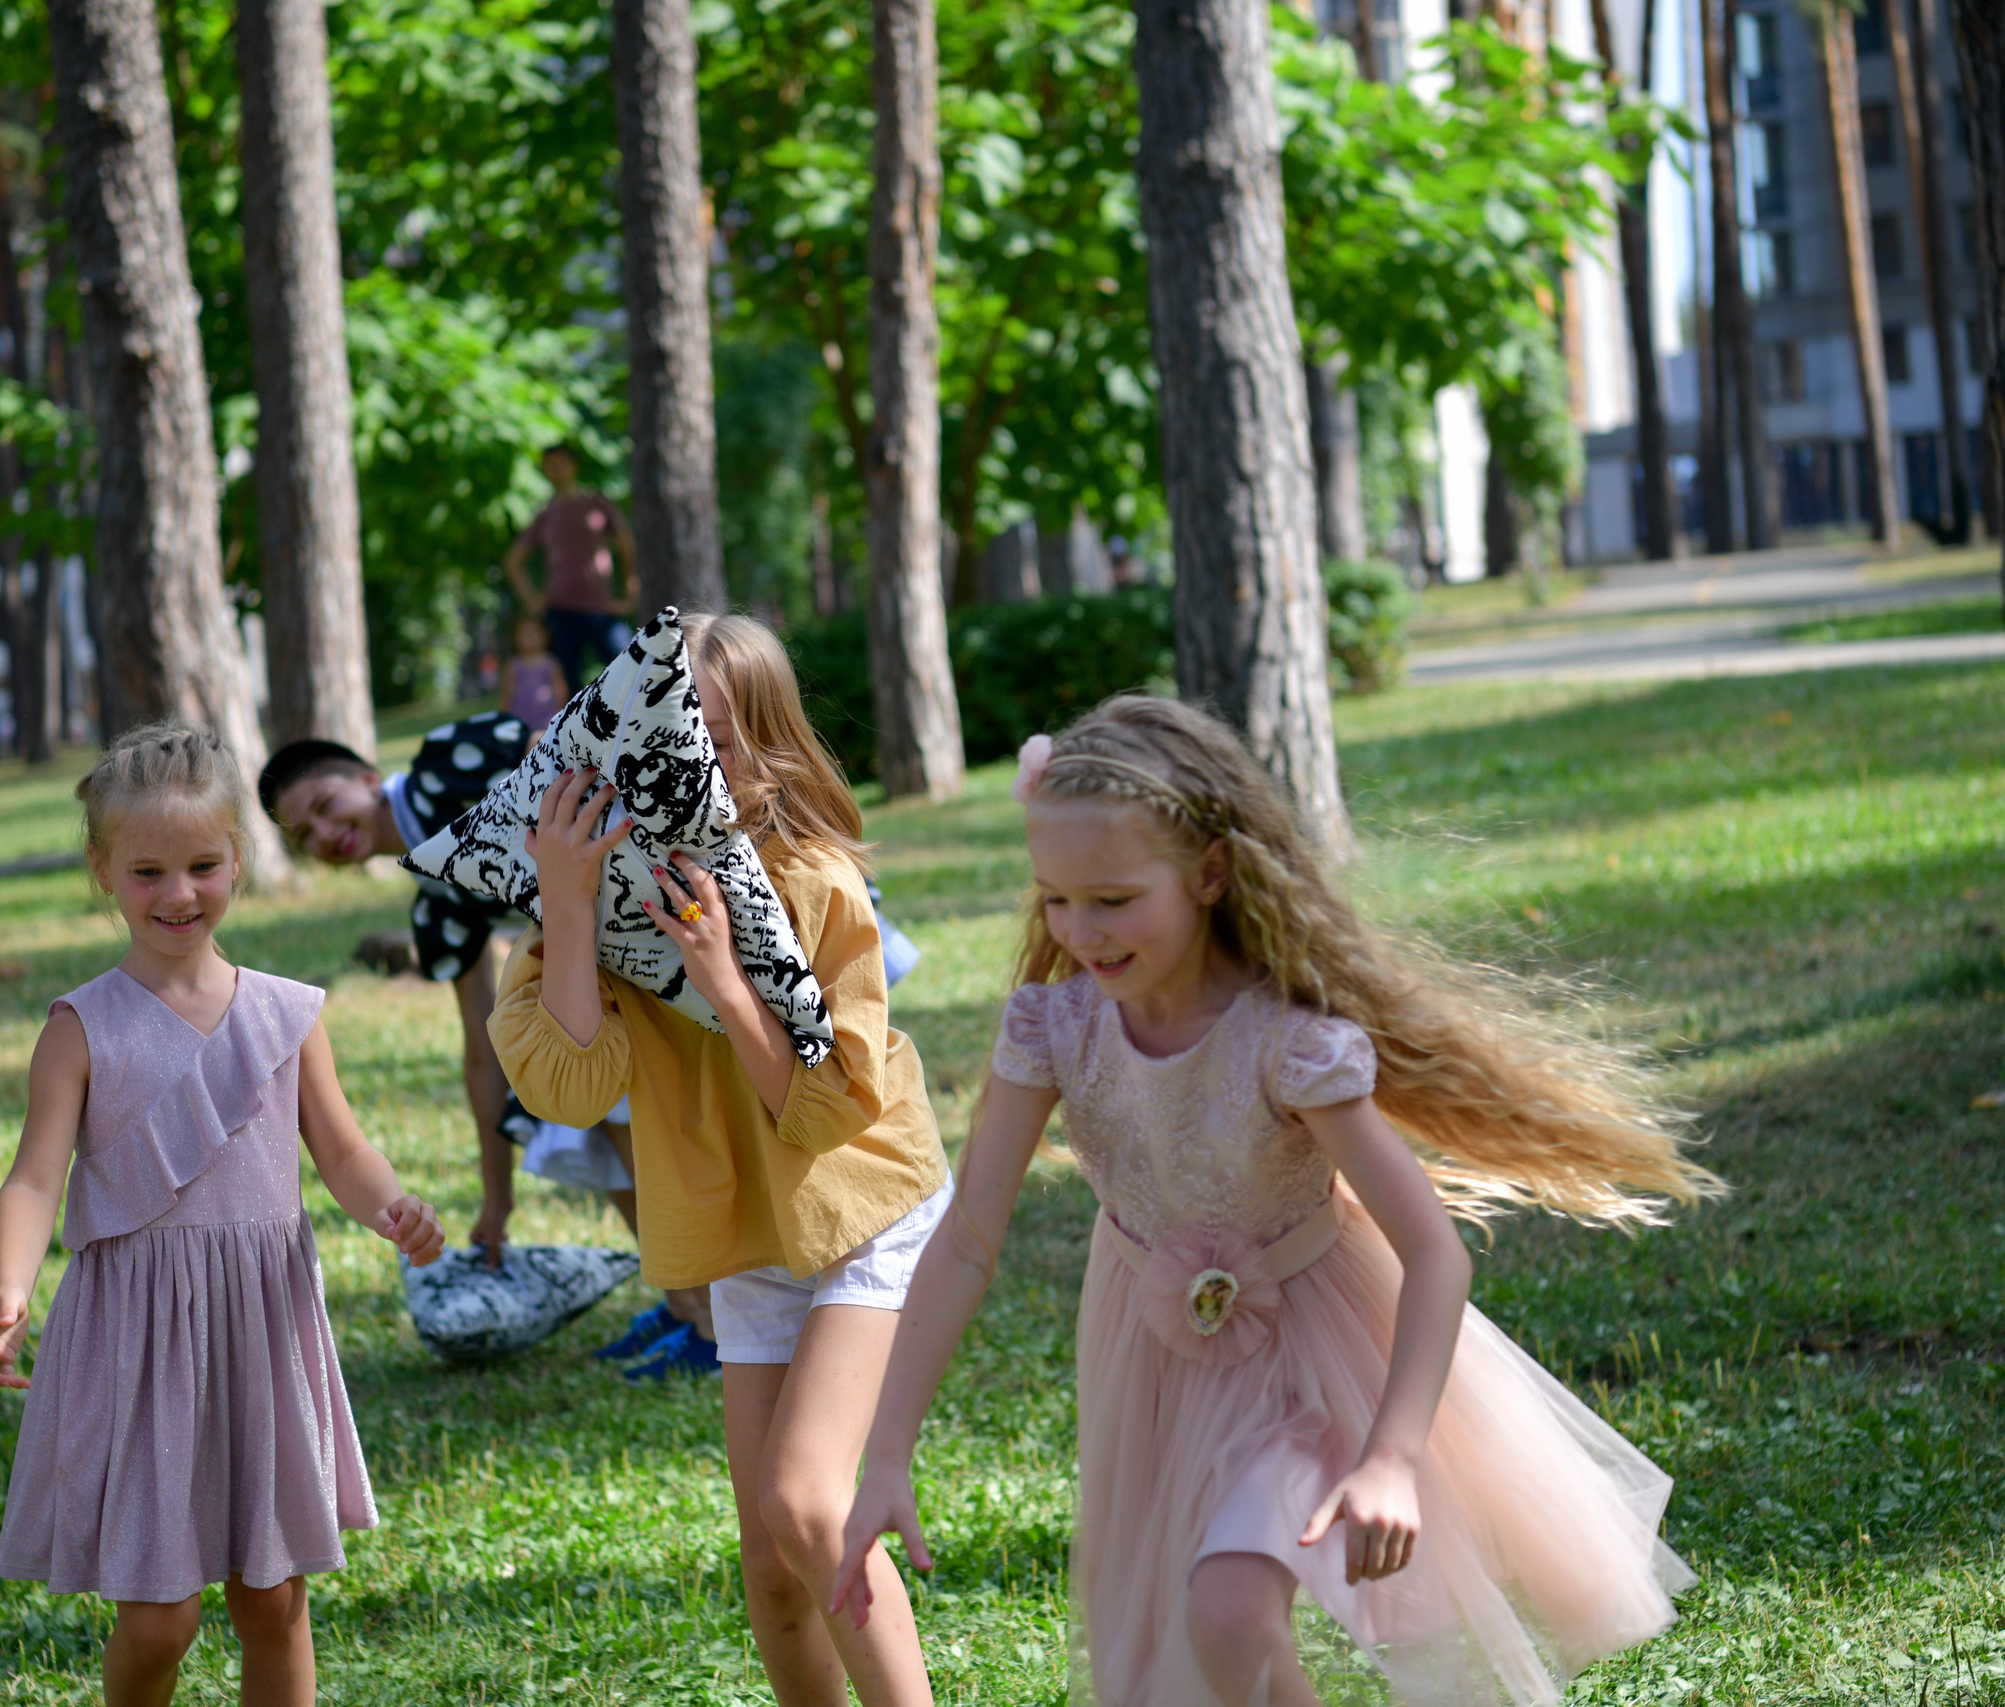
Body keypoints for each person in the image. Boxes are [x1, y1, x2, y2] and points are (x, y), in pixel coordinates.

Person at [831, 697, 1717, 1707]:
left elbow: (1435, 1252)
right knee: (1221, 1644)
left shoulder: (1286, 1043)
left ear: (1210, 873)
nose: (1080, 931)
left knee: (1229, 1610)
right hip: (1151, 1360)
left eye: (1114, 899)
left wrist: (1392, 1457)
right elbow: (965, 1241)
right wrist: (886, 1452)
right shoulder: (1054, 1028)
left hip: (1317, 1347)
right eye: (1057, 900)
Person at [490, 612, 948, 1707]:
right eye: (658, 740)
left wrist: (728, 982)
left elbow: (830, 1111)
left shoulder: (814, 878)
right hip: (750, 1227)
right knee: (770, 1568)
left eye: (715, 741)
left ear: (765, 746)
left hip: (859, 1207)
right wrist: (566, 903)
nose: (685, 765)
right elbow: (566, 1089)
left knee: (806, 1502)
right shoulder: (600, 896)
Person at [0, 720, 447, 1706]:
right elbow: (33, 1179)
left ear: (238, 860)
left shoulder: (284, 1013)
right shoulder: (81, 1028)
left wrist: (392, 1203)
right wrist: (11, 1286)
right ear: (102, 870)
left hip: (261, 1328)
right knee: (161, 1618)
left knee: (273, 1601)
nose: (178, 893)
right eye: (147, 871)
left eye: (202, 866)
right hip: (139, 1341)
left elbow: (343, 1151)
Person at [259, 717, 719, 1375]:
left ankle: (712, 1322)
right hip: (597, 978)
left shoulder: (452, 760)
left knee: (610, 1107)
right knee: (569, 1112)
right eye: (304, 836)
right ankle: (684, 1301)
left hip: (666, 920)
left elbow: (560, 746)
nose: (325, 834)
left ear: (367, 777)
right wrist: (496, 1197)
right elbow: (484, 1047)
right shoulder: (440, 904)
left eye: (325, 806)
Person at [503, 444, 638, 692]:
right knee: (568, 687)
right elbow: (513, 561)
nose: (556, 469)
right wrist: (530, 600)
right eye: (549, 465)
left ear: (573, 466)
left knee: (632, 671)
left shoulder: (597, 503)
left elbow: (625, 544)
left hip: (601, 607)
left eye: (561, 463)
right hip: (561, 611)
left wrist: (629, 591)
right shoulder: (545, 514)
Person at [500, 613, 570, 732]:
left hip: (547, 715)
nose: (530, 638)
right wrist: (504, 716)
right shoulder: (514, 665)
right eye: (525, 634)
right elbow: (507, 692)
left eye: (534, 633)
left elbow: (560, 689)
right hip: (520, 714)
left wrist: (561, 714)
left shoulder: (550, 663)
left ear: (545, 636)